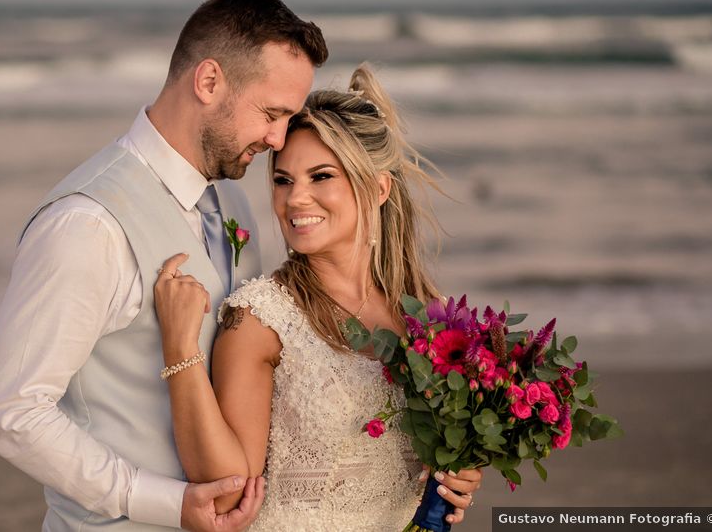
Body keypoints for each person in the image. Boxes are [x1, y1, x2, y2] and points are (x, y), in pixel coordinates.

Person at [0, 0, 328, 531]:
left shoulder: (231, 198)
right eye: (271, 113)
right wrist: (159, 500)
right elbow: (9, 412)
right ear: (209, 82)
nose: (278, 139)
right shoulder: (87, 227)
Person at [153, 64, 482, 530]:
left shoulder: (431, 320)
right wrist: (180, 350)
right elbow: (227, 492)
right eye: (283, 180)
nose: (295, 199)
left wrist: (462, 471)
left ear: (378, 188)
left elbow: (445, 455)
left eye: (321, 176)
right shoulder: (261, 319)